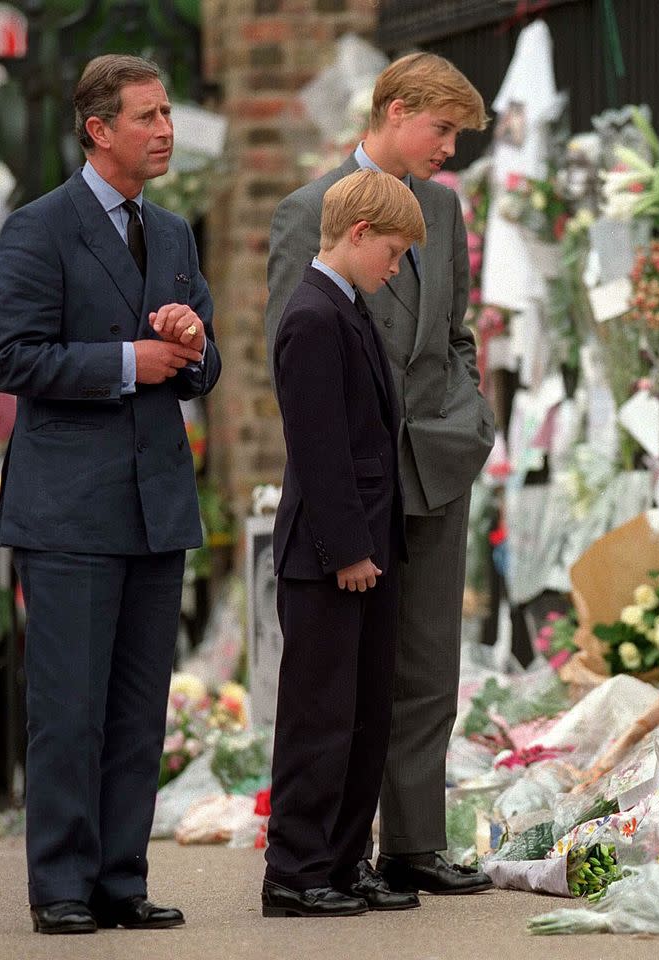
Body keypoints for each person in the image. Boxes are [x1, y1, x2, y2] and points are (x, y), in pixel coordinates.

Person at [0, 54, 220, 935]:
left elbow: (204, 369)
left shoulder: (174, 234)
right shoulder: (38, 229)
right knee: (70, 709)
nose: (165, 130)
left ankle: (123, 878)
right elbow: (9, 357)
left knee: (136, 709)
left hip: (156, 502)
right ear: (99, 130)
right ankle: (62, 886)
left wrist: (192, 341)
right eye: (149, 116)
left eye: (167, 114)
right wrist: (129, 362)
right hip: (70, 508)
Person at [264, 52, 495, 897]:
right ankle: (328, 857)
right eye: (441, 130)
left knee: (428, 660)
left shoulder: (443, 209)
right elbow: (294, 351)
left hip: (438, 462)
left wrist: (472, 417)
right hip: (359, 473)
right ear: (395, 111)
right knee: (340, 677)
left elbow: (458, 331)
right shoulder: (310, 211)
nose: (448, 150)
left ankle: (412, 843)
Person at [262, 168, 422, 918]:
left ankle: (344, 859)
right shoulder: (312, 316)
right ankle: (295, 871)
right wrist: (349, 549)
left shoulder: (347, 307)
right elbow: (319, 448)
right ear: (357, 235)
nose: (394, 270)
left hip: (368, 548)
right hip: (332, 554)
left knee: (365, 712)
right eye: (391, 253)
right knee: (319, 714)